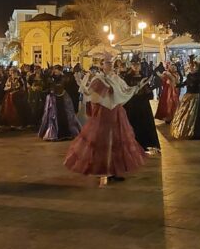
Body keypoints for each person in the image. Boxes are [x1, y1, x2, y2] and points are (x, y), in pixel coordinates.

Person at [64, 56, 149, 187]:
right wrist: (80, 82)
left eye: (110, 63)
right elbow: (88, 92)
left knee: (116, 141)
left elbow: (125, 90)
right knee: (101, 140)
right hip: (103, 113)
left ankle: (115, 170)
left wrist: (138, 86)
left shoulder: (115, 78)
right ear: (102, 65)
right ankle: (103, 169)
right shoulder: (98, 79)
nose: (109, 65)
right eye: (107, 63)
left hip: (116, 113)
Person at [121, 55, 161, 151]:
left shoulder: (143, 75)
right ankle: (133, 143)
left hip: (143, 104)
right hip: (132, 104)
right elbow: (125, 90)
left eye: (138, 64)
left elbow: (147, 90)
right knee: (132, 122)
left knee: (145, 123)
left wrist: (150, 86)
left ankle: (146, 144)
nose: (136, 66)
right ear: (131, 65)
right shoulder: (127, 77)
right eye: (134, 64)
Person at [171, 60, 200, 140]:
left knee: (199, 116)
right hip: (189, 98)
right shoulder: (189, 76)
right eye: (190, 66)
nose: (190, 67)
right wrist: (176, 84)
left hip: (198, 99)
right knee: (187, 116)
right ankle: (189, 131)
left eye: (193, 66)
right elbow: (185, 83)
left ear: (197, 68)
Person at [38, 66, 81, 141]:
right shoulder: (50, 78)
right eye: (55, 70)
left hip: (63, 98)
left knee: (65, 115)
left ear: (60, 70)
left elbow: (68, 84)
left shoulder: (65, 77)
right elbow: (46, 85)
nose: (55, 72)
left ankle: (67, 133)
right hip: (53, 98)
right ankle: (53, 133)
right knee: (53, 115)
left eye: (57, 70)